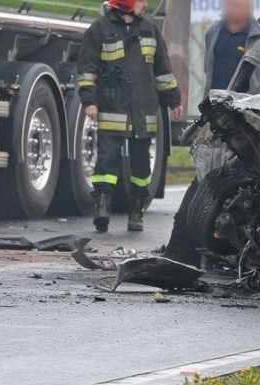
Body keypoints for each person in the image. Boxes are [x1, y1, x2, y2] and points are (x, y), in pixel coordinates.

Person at [77, 0, 183, 233]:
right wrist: (90, 102)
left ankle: (137, 211)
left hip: (143, 112)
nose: (145, 4)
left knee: (142, 166)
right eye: (141, 0)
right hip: (112, 109)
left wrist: (174, 101)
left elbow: (163, 71)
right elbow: (87, 70)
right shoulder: (99, 30)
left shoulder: (150, 30)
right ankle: (102, 208)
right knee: (106, 161)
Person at [203, 0, 260, 96]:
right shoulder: (213, 33)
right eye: (232, 3)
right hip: (214, 106)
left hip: (246, 108)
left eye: (240, 4)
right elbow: (207, 69)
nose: (235, 7)